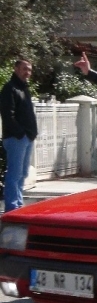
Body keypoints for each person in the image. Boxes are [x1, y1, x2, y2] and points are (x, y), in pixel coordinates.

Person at [0, 59, 38, 212]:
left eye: (29, 69)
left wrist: (31, 134)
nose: (27, 72)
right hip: (16, 138)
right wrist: (20, 134)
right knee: (14, 174)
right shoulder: (10, 88)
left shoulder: (24, 89)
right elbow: (8, 115)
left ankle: (18, 204)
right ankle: (12, 207)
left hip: (27, 138)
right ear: (16, 69)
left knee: (23, 173)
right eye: (24, 69)